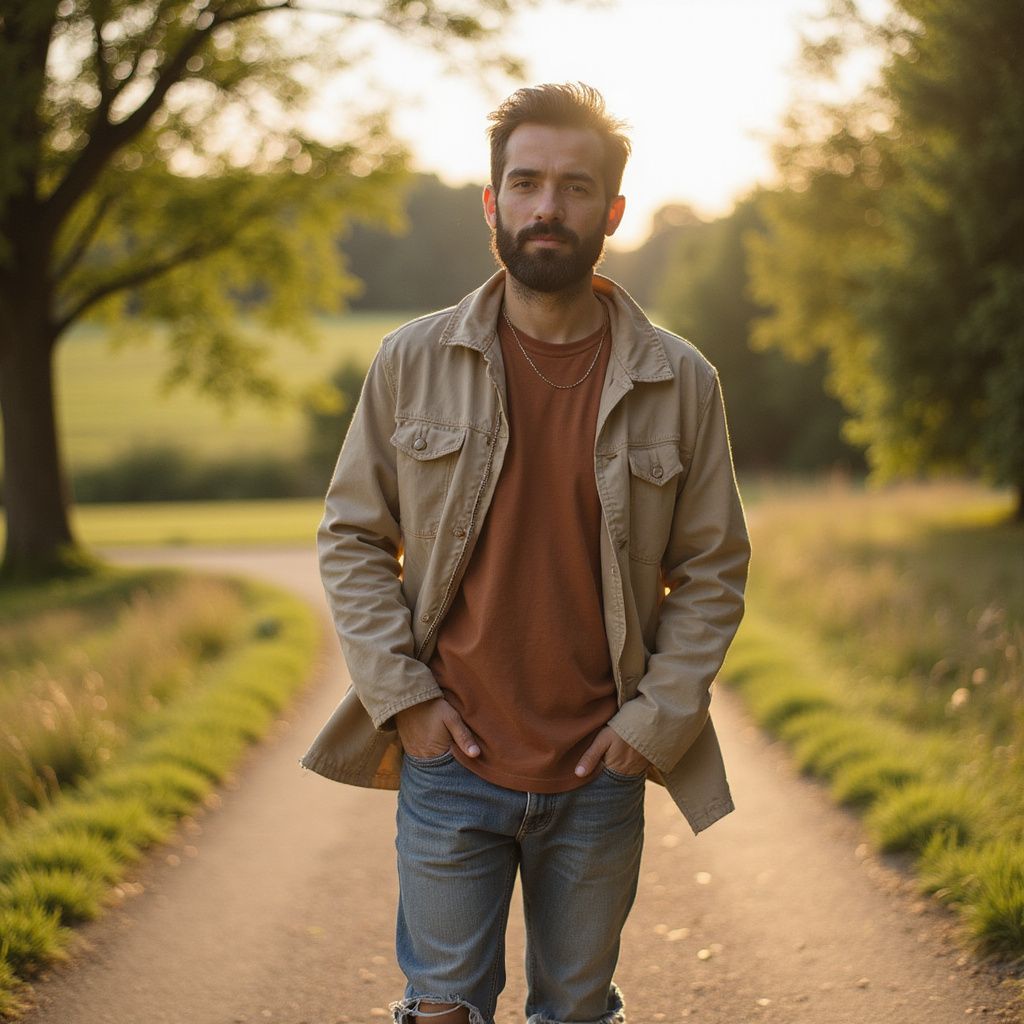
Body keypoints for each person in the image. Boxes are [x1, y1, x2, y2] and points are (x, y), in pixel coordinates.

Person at [300, 82, 751, 1024]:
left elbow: (713, 572)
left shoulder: (683, 380)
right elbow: (350, 537)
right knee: (442, 1009)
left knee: (576, 1013)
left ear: (612, 211)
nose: (549, 207)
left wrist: (651, 727)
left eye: (576, 187)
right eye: (528, 182)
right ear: (493, 203)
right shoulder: (410, 362)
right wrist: (406, 701)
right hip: (449, 761)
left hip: (599, 769)